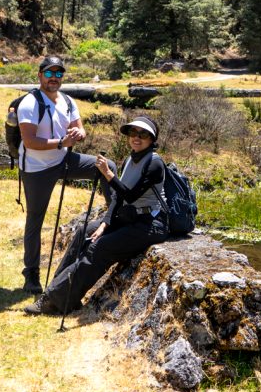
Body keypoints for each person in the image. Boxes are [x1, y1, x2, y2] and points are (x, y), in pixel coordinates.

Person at [24, 114, 169, 316]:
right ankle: (57, 293)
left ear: (152, 139)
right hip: (130, 218)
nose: (137, 137)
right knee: (85, 232)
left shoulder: (154, 163)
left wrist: (108, 174)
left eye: (143, 134)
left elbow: (131, 195)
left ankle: (56, 301)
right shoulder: (130, 158)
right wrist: (106, 223)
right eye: (133, 132)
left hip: (150, 224)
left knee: (99, 248)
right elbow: (118, 198)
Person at [18, 55, 116, 295]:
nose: (54, 78)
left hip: (63, 160)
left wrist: (79, 134)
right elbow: (30, 142)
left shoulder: (69, 101)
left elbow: (79, 126)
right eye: (49, 73)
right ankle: (31, 274)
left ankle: (114, 217)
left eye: (58, 73)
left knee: (106, 165)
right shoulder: (29, 103)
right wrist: (62, 142)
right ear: (40, 75)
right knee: (35, 219)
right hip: (37, 168)